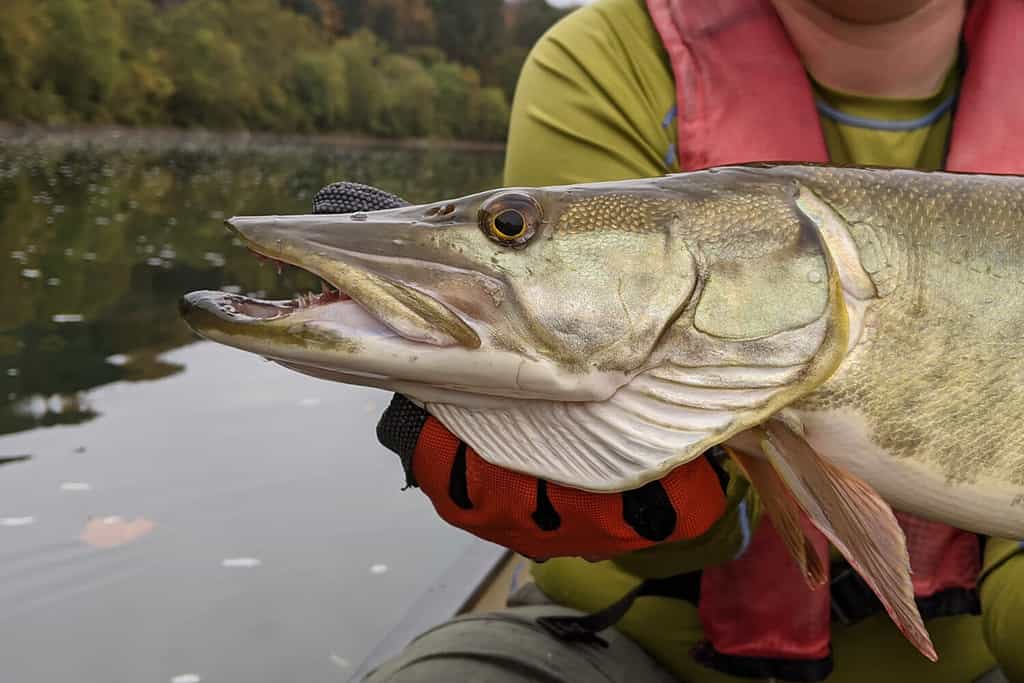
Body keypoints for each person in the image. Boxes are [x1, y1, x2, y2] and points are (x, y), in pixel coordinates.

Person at [358, 0, 1024, 680]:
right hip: (624, 643)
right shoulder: (608, 60)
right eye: (512, 229)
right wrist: (634, 485)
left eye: (512, 229)